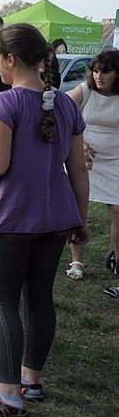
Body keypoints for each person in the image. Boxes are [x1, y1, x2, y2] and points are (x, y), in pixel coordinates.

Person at [0, 23, 89, 417]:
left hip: (9, 216)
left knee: (3, 304)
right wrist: (79, 216)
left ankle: (7, 395)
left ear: (9, 60)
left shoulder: (3, 104)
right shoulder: (65, 103)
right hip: (55, 217)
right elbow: (78, 169)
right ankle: (30, 380)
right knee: (40, 299)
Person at [66, 49, 119, 281]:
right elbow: (62, 113)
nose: (99, 76)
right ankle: (76, 259)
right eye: (96, 71)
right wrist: (81, 143)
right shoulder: (85, 90)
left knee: (118, 210)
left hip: (115, 158)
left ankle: (118, 259)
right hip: (83, 158)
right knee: (78, 208)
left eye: (106, 72)